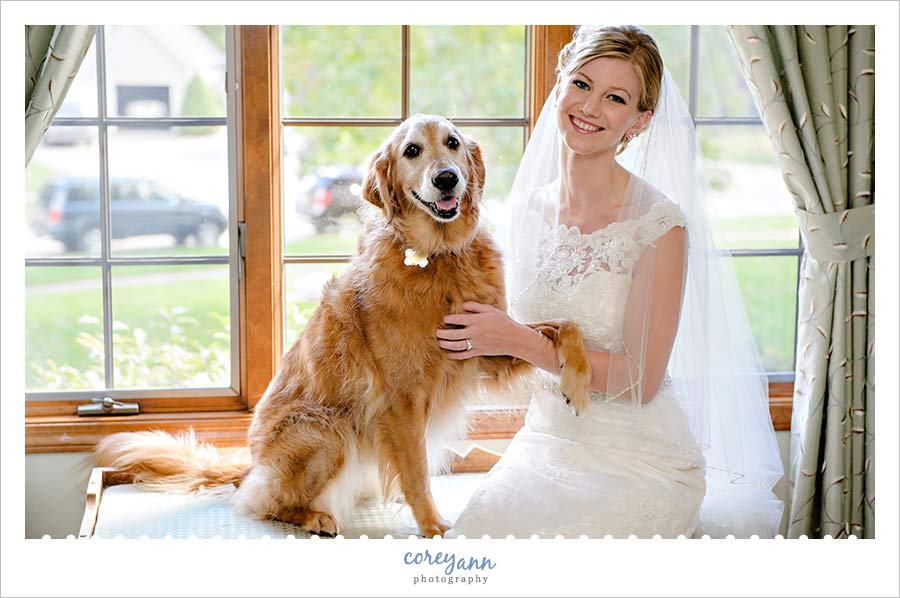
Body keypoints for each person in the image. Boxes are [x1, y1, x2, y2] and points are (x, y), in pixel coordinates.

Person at [437, 25, 785, 539]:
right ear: (559, 84)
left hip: (640, 460)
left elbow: (640, 380)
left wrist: (515, 339)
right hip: (544, 445)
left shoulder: (659, 226)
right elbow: (493, 342)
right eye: (581, 84)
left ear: (639, 121)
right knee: (473, 551)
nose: (590, 107)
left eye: (615, 98)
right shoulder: (526, 211)